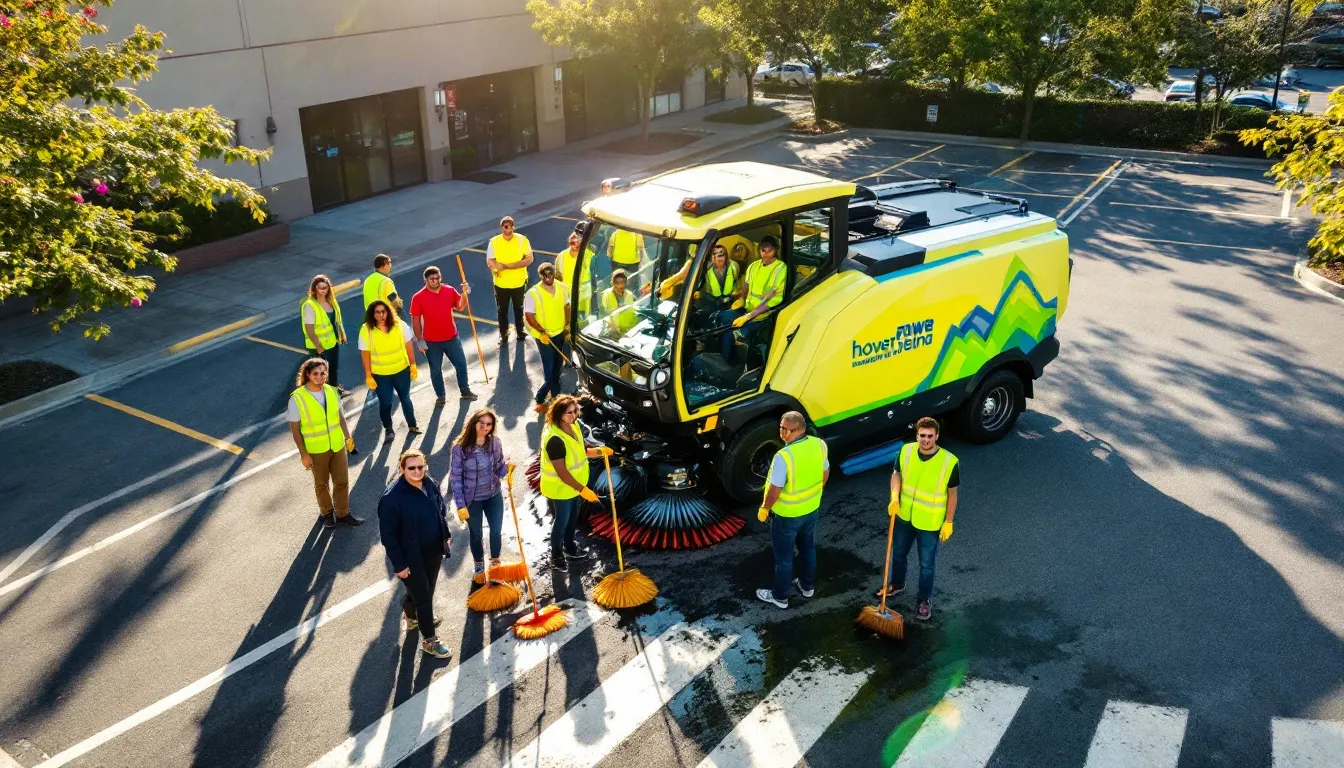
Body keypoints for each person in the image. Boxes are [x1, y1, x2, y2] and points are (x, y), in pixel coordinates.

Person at [880, 416, 959, 622]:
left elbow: (952, 495)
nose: (925, 440)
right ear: (917, 435)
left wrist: (948, 521)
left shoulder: (949, 462)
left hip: (930, 523)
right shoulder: (905, 451)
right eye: (922, 435)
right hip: (904, 515)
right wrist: (894, 496)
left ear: (937, 436)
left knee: (926, 565)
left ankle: (924, 600)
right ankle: (897, 584)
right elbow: (896, 474)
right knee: (898, 553)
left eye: (930, 436)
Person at [377, 449, 453, 659]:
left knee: (425, 591)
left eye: (421, 467)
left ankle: (412, 616)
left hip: (434, 550)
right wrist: (399, 565)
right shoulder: (391, 498)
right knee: (424, 598)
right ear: (402, 469)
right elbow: (388, 536)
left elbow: (440, 510)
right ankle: (429, 641)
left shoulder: (430, 483)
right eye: (412, 468)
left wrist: (445, 535)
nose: (417, 471)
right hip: (411, 557)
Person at [756, 410, 829, 609]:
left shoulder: (784, 456)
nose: (781, 432)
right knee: (807, 549)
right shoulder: (819, 445)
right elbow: (825, 472)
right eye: (780, 427)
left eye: (784, 429)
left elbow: (775, 489)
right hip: (811, 509)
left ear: (797, 429)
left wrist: (765, 508)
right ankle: (807, 587)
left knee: (784, 557)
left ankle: (780, 597)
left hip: (787, 516)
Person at [287, 358, 361, 529]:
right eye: (316, 374)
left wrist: (348, 437)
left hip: (337, 445)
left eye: (323, 373)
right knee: (321, 484)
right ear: (307, 374)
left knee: (342, 480)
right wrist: (304, 454)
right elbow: (295, 430)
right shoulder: (297, 399)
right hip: (316, 449)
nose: (320, 377)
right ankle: (327, 513)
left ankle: (343, 513)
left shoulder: (332, 391)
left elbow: (340, 416)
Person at [540, 394, 610, 573]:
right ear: (558, 414)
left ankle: (570, 547)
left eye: (575, 411)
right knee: (561, 523)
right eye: (568, 413)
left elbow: (581, 450)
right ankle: (556, 555)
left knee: (572, 520)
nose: (573, 416)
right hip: (561, 489)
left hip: (576, 486)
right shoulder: (555, 439)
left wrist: (599, 451)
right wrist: (583, 489)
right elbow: (562, 473)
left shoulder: (574, 426)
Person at [449, 408, 508, 579]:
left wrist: (507, 469)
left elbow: (499, 468)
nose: (485, 427)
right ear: (473, 423)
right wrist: (460, 505)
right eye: (481, 423)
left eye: (489, 424)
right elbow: (456, 478)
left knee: (496, 531)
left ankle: (495, 564)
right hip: (472, 499)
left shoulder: (495, 443)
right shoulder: (460, 448)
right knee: (476, 534)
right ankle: (479, 565)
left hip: (493, 495)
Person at [410, 265, 477, 406]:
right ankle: (441, 396)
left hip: (451, 337)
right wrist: (419, 341)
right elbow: (415, 321)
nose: (436, 281)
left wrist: (465, 293)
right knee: (435, 370)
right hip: (431, 342)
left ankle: (465, 391)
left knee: (461, 364)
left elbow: (460, 306)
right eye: (432, 279)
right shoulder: (418, 297)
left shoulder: (449, 290)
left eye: (438, 277)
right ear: (426, 280)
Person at [359, 299, 421, 440]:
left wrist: (413, 364)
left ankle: (413, 425)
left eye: (383, 311)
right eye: (377, 312)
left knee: (405, 399)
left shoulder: (399, 324)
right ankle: (389, 429)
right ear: (372, 315)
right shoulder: (366, 330)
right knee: (386, 402)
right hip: (381, 375)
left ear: (388, 312)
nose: (381, 315)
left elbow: (408, 344)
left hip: (401, 370)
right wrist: (368, 375)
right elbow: (365, 353)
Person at [729, 235, 787, 362]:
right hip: (747, 310)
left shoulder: (780, 269)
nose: (765, 255)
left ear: (776, 250)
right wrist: (742, 299)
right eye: (763, 251)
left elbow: (773, 299)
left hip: (763, 317)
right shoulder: (754, 266)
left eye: (769, 251)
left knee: (733, 335)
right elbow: (746, 285)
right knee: (723, 318)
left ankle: (734, 365)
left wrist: (749, 317)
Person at [524, 262, 570, 414]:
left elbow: (567, 307)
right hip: (545, 337)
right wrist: (541, 331)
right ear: (541, 276)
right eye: (545, 276)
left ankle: (541, 395)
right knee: (550, 369)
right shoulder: (533, 293)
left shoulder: (562, 287)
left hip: (560, 333)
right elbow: (529, 316)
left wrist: (567, 326)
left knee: (557, 367)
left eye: (551, 275)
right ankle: (558, 400)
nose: (549, 278)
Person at [486, 216, 534, 346]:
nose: (508, 228)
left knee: (519, 308)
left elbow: (529, 259)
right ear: (501, 228)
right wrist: (497, 266)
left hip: (518, 282)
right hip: (501, 283)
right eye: (505, 226)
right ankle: (504, 335)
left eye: (510, 225)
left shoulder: (522, 240)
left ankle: (520, 331)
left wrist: (509, 266)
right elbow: (490, 260)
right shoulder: (494, 242)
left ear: (513, 226)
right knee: (502, 310)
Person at [300, 274, 349, 395]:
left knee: (333, 369)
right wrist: (318, 346)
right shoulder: (310, 305)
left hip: (332, 342)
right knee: (319, 373)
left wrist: (342, 334)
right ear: (315, 288)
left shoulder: (331, 301)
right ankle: (319, 395)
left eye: (325, 288)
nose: (323, 290)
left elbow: (337, 320)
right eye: (320, 288)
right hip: (318, 346)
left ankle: (334, 392)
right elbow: (309, 329)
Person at [555, 231, 592, 315]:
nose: (575, 246)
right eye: (572, 243)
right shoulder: (561, 256)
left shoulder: (590, 256)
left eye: (577, 243)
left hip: (584, 299)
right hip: (567, 299)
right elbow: (557, 277)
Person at [601, 269, 637, 338]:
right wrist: (616, 310)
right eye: (617, 288)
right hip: (612, 331)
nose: (620, 290)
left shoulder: (629, 294)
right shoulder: (606, 294)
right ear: (613, 284)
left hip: (627, 331)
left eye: (622, 288)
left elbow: (635, 308)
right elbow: (603, 313)